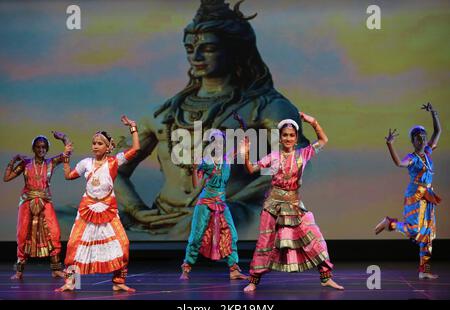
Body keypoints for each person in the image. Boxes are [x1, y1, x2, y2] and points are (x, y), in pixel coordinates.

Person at [115, 0, 307, 239]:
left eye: (208, 48)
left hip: (228, 213)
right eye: (189, 49)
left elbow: (296, 158)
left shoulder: (265, 107)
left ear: (235, 50)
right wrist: (138, 210)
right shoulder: (164, 113)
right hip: (160, 216)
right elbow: (113, 169)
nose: (195, 56)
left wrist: (237, 201)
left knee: (202, 224)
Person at [242, 113, 344, 292]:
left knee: (315, 238)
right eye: (285, 135)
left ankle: (325, 277)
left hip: (295, 206)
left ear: (296, 138)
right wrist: (247, 151)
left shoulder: (303, 154)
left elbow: (323, 139)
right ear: (280, 138)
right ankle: (253, 280)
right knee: (265, 242)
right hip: (273, 206)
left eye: (291, 135)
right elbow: (251, 168)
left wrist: (313, 122)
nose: (288, 138)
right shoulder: (273, 157)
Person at [56, 116, 140, 292]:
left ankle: (118, 281)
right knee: (73, 245)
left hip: (108, 208)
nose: (95, 146)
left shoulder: (114, 162)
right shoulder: (86, 163)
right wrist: (66, 157)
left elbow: (136, 149)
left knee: (123, 244)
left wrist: (133, 128)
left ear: (108, 147)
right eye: (94, 143)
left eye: (99, 143)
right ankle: (71, 282)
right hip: (87, 208)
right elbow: (69, 176)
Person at [375, 103, 442, 280]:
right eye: (417, 138)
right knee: (413, 230)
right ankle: (390, 223)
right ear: (413, 141)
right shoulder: (411, 158)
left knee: (427, 235)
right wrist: (390, 145)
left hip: (428, 197)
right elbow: (398, 163)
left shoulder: (428, 152)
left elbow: (438, 132)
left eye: (423, 137)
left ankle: (424, 271)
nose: (421, 140)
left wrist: (434, 113)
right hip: (415, 196)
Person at [180, 130, 247, 281]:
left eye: (220, 141)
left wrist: (242, 124)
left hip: (221, 203)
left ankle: (234, 269)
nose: (218, 144)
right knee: (197, 236)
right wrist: (194, 168)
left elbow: (243, 139)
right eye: (215, 141)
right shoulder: (206, 161)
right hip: (205, 202)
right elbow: (196, 185)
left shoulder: (227, 158)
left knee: (232, 234)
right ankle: (186, 268)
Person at [3, 132, 71, 280]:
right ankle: (19, 271)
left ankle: (56, 269)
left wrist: (64, 138)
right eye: (38, 147)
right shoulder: (26, 163)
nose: (41, 150)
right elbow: (6, 178)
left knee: (54, 233)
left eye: (44, 147)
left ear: (47, 149)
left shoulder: (51, 163)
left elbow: (67, 153)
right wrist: (14, 159)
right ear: (33, 148)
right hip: (27, 201)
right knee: (22, 234)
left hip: (45, 201)